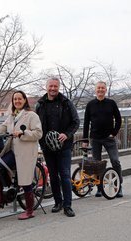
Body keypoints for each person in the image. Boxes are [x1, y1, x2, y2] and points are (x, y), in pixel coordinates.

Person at [0, 90, 42, 220]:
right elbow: (1, 128)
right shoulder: (12, 116)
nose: (17, 101)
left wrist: (23, 133)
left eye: (19, 99)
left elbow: (38, 133)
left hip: (26, 153)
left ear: (24, 100)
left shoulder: (31, 115)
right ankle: (2, 197)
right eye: (15, 99)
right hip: (13, 151)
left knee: (25, 181)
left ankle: (29, 210)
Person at [36, 78, 80, 217]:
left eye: (55, 86)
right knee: (53, 176)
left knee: (65, 175)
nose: (53, 88)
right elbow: (36, 125)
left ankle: (68, 206)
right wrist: (42, 143)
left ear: (58, 87)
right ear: (46, 87)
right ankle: (58, 202)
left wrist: (66, 135)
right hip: (47, 147)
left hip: (64, 146)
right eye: (51, 86)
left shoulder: (66, 103)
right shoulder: (40, 105)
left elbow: (76, 122)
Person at [82, 81, 123, 197]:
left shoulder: (111, 103)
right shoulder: (90, 105)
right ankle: (99, 188)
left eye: (102, 88)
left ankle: (118, 186)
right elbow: (86, 123)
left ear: (106, 90)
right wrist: (85, 140)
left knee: (115, 161)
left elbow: (119, 120)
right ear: (95, 90)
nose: (100, 90)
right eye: (98, 88)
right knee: (97, 164)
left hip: (108, 138)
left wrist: (114, 133)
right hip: (95, 138)